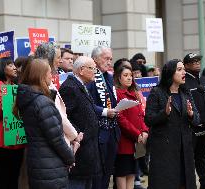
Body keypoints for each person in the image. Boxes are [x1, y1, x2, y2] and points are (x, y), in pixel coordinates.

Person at [13, 58, 75, 189]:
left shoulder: (30, 99)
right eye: (49, 72)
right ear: (41, 75)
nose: (51, 76)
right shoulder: (42, 102)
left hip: (38, 161)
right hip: (50, 165)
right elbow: (56, 139)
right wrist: (70, 157)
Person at [145, 59, 200, 189]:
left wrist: (192, 115)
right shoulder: (157, 92)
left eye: (184, 70)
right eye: (179, 70)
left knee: (184, 182)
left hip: (184, 149)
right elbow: (148, 119)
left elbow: (197, 119)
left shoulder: (185, 92)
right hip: (165, 151)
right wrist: (164, 113)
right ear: (170, 73)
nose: (184, 72)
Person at [59, 56, 101, 189]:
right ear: (81, 70)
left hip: (87, 150)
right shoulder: (70, 87)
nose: (95, 71)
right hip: (79, 149)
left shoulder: (80, 85)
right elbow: (64, 117)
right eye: (92, 68)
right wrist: (78, 134)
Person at [35, 42, 82, 153]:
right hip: (51, 144)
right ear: (48, 59)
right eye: (58, 57)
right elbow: (57, 113)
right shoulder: (42, 83)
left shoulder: (47, 80)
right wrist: (74, 134)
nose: (60, 61)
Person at [0, 57, 24, 189]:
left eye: (14, 65)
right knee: (3, 178)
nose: (15, 67)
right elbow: (0, 110)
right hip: (2, 141)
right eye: (10, 65)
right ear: (1, 68)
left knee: (14, 177)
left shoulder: (15, 86)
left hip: (17, 138)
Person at [87, 46, 120, 189]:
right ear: (95, 59)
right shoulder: (90, 77)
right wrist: (105, 112)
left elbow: (113, 100)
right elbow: (87, 104)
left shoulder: (110, 77)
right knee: (98, 174)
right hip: (99, 131)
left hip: (113, 130)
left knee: (108, 172)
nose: (109, 62)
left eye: (111, 59)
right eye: (106, 58)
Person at [183, 53, 205, 189]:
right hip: (192, 127)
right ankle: (190, 184)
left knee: (201, 155)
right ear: (186, 65)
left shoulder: (202, 80)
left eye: (198, 61)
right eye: (193, 61)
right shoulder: (185, 82)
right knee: (190, 157)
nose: (197, 63)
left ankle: (204, 182)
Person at [113, 65, 148, 189]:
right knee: (122, 173)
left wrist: (144, 131)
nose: (129, 78)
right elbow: (120, 118)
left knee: (132, 172)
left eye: (130, 75)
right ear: (118, 77)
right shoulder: (117, 94)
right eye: (125, 75)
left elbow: (141, 115)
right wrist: (136, 133)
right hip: (124, 141)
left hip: (137, 142)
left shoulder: (134, 93)